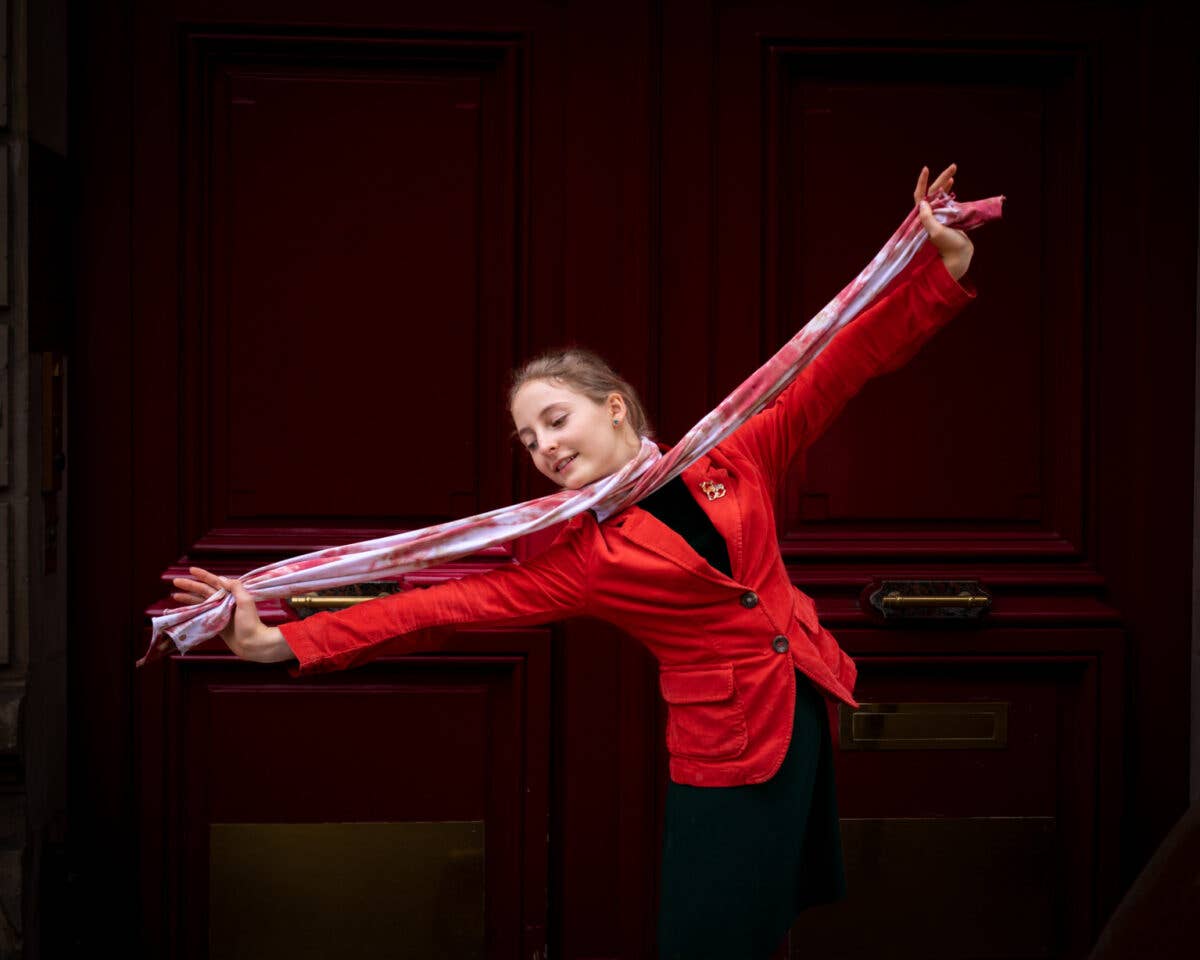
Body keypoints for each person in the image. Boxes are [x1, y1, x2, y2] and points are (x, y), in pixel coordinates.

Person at [173, 164, 977, 959]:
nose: (546, 448)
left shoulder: (730, 456)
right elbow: (442, 607)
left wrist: (940, 269)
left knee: (766, 926)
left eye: (556, 421)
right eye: (530, 440)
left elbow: (834, 370)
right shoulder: (586, 558)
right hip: (727, 750)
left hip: (800, 709)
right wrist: (281, 641)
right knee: (706, 938)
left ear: (614, 407)